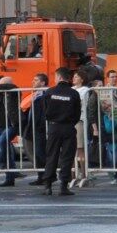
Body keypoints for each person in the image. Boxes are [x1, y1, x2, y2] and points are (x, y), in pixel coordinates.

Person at [37, 66, 84, 196]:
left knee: (51, 156)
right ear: (68, 78)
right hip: (69, 128)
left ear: (59, 77)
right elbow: (77, 113)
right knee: (67, 157)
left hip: (54, 127)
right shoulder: (74, 93)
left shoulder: (49, 92)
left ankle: (48, 186)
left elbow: (44, 111)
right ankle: (64, 186)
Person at [0, 76, 21, 187]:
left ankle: (5, 166)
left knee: (2, 141)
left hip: (12, 124)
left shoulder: (14, 91)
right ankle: (10, 177)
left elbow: (8, 87)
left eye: (1, 84)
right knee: (5, 149)